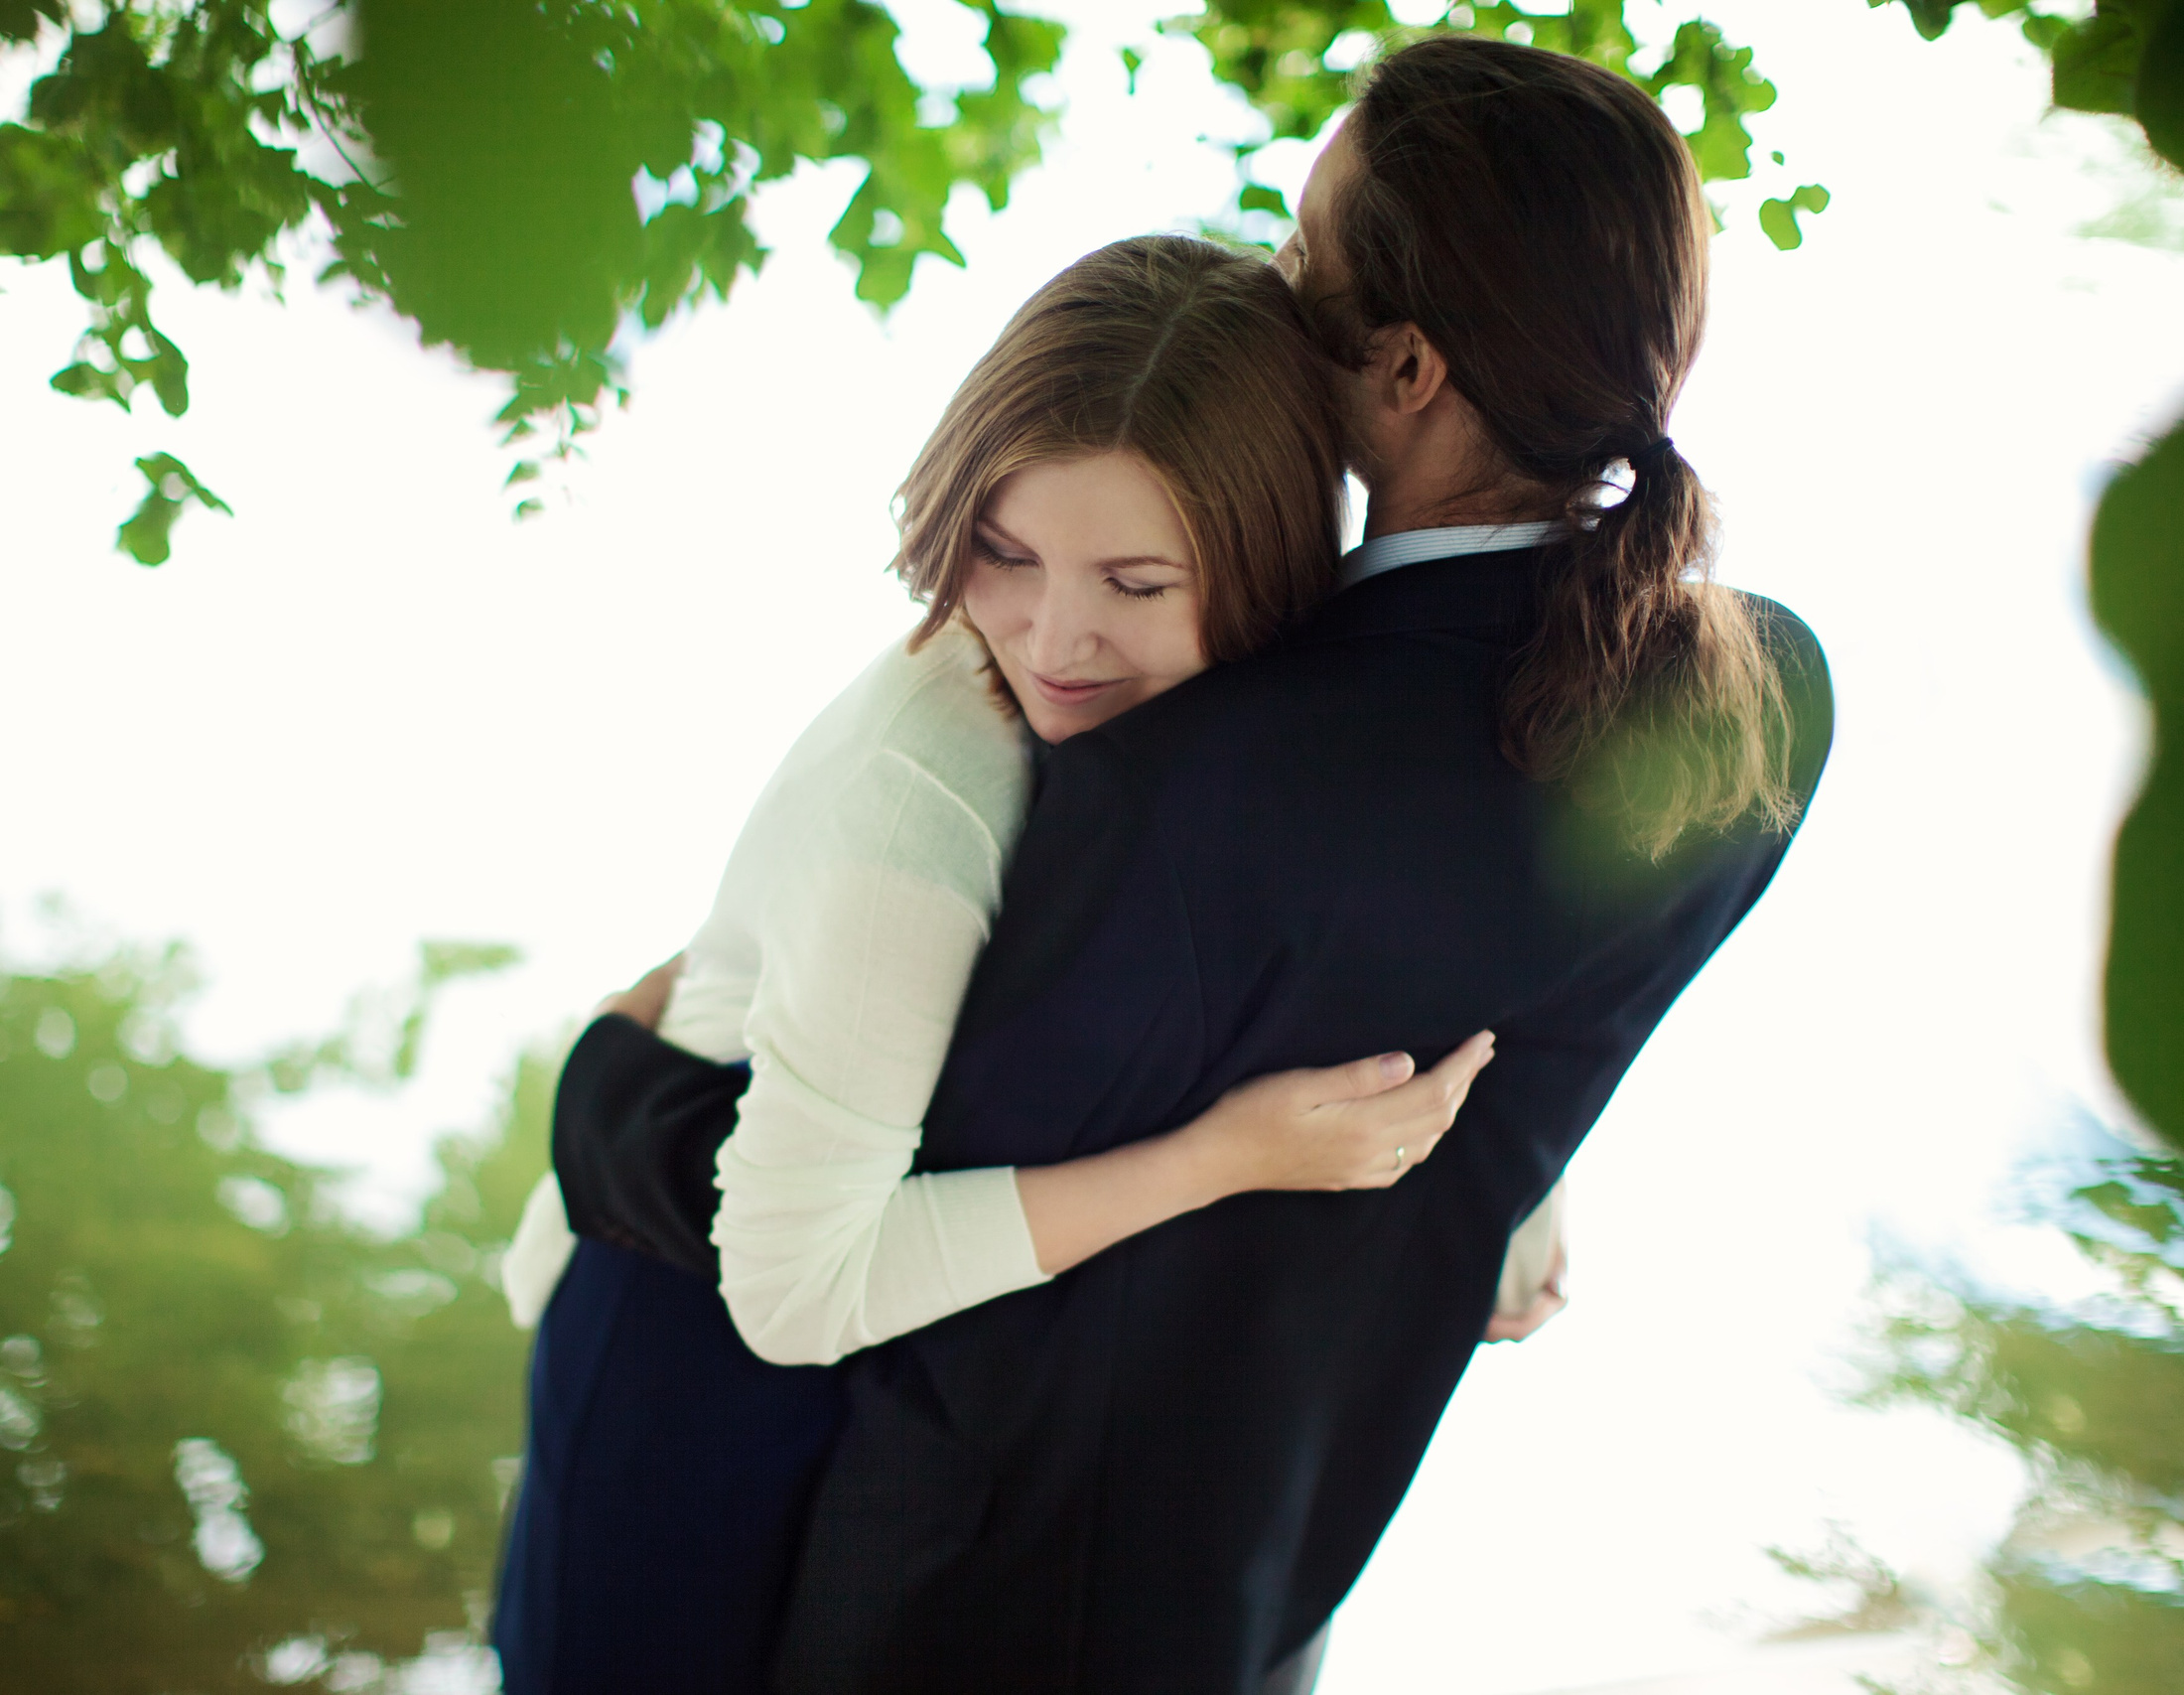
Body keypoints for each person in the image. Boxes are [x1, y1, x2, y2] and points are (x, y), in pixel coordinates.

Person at [554, 35, 1836, 1695]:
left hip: (967, 1607)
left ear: (1413, 371)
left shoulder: (1196, 780)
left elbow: (867, 1196)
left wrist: (605, 1101)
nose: (1274, 282)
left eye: (1306, 257)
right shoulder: (1761, 703)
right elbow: (1514, 987)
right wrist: (1518, 1179)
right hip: (1273, 1583)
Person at [488, 233, 1561, 1695]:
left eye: (1135, 580)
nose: (1058, 636)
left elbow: (1360, 932)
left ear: (1262, 559)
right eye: (1004, 553)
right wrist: (1220, 1159)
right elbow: (795, 1292)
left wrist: (1511, 1178)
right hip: (699, 1363)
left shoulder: (1245, 729)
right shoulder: (929, 802)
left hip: (887, 1345)